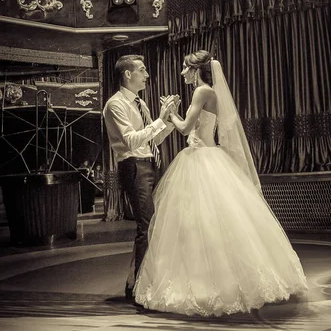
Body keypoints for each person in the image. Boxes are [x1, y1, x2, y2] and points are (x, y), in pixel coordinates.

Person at [133, 50, 307, 316]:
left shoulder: (201, 92)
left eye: (185, 68)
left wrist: (168, 114)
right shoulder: (208, 92)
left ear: (195, 70)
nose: (182, 73)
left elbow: (184, 128)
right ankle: (219, 280)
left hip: (201, 159)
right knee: (209, 224)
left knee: (202, 224)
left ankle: (214, 285)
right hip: (207, 156)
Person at [102, 54, 179, 301]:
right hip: (133, 167)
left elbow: (153, 140)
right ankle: (140, 287)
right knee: (146, 225)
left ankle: (136, 280)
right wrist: (159, 120)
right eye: (142, 70)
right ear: (128, 74)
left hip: (149, 164)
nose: (147, 75)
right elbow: (132, 140)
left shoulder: (140, 103)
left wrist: (167, 120)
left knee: (153, 225)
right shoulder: (115, 105)